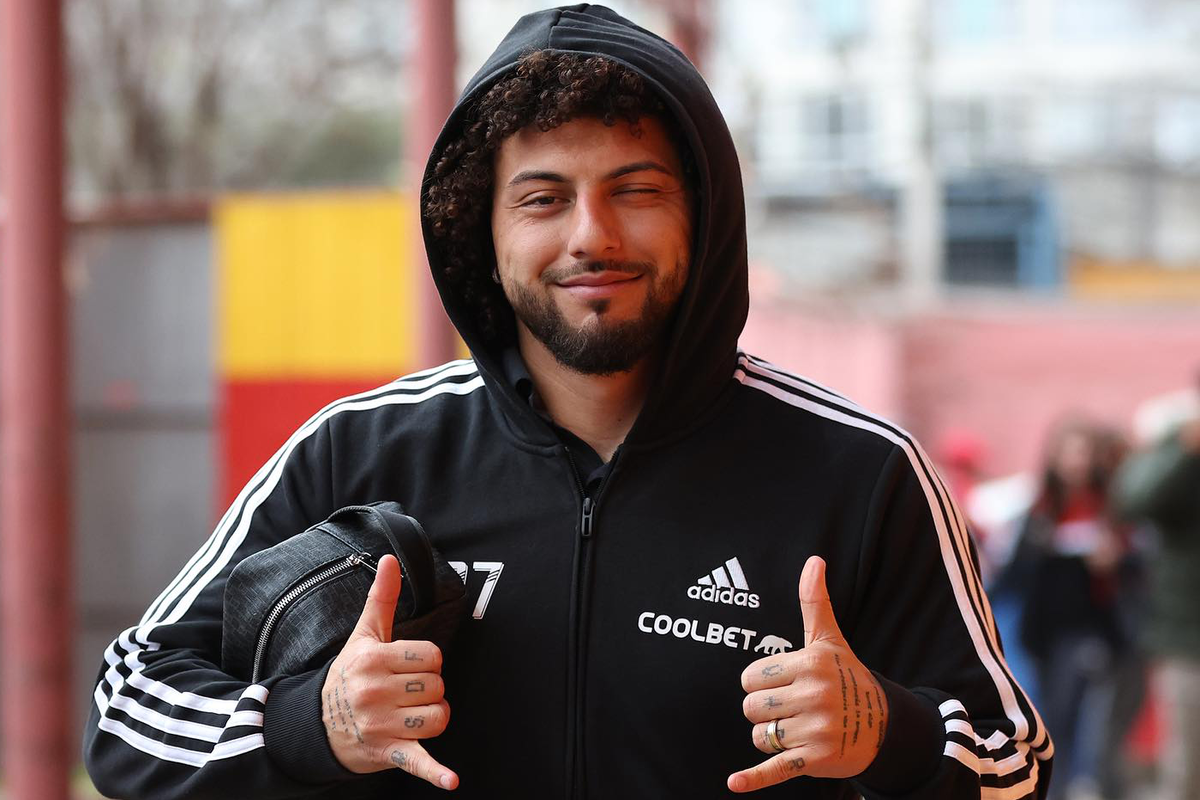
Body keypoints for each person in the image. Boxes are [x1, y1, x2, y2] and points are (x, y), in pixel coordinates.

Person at [83, 6, 1051, 798]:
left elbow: (1019, 763)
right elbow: (127, 708)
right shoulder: (358, 451)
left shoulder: (863, 470)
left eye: (636, 189)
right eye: (543, 198)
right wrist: (314, 723)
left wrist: (888, 729)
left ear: (703, 216)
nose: (592, 234)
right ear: (484, 233)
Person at [1114, 379, 1200, 800]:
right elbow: (1133, 499)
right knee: (1186, 763)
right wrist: (1185, 452)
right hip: (1187, 634)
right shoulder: (1177, 441)